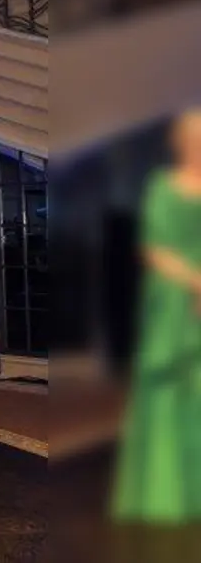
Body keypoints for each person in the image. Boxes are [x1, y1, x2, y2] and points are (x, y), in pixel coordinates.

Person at [113, 108, 201, 523]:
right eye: (192, 138)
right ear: (179, 142)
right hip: (172, 297)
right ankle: (167, 492)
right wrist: (194, 283)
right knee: (170, 385)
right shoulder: (162, 187)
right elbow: (153, 246)